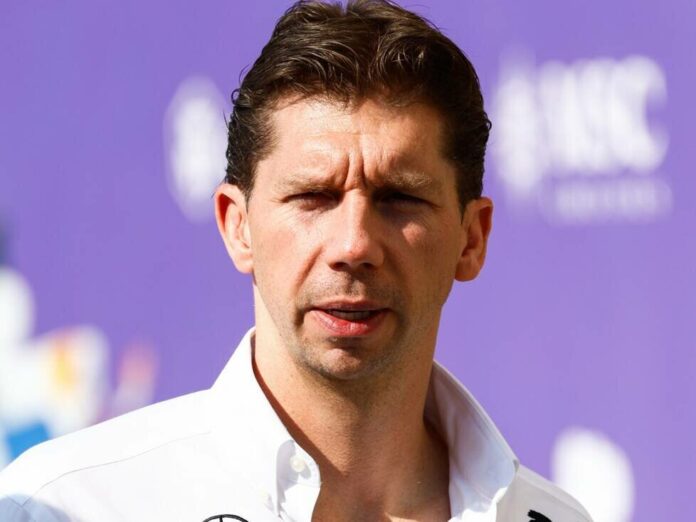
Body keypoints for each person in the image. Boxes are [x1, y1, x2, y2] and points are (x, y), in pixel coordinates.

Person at [0, 1, 593, 521]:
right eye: (313, 197)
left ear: (472, 238)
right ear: (238, 226)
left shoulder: (555, 518)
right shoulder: (68, 508)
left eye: (399, 198)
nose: (353, 245)